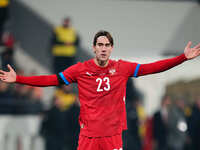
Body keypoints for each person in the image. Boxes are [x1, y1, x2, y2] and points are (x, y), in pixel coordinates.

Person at [0, 30, 200, 150]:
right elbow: (52, 79)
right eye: (100, 45)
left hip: (112, 134)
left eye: (107, 45)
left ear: (111, 48)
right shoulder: (80, 69)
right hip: (88, 136)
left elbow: (153, 67)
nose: (103, 48)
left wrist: (181, 58)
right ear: (94, 48)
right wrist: (19, 78)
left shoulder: (122, 68)